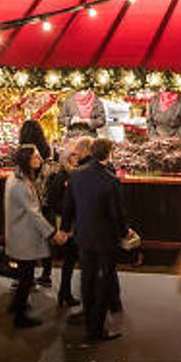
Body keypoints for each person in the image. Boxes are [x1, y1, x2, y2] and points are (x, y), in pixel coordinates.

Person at [60, 137, 128, 342]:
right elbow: (116, 214)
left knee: (87, 279)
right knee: (104, 281)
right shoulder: (111, 180)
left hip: (83, 235)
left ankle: (89, 320)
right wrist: (124, 233)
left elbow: (68, 207)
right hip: (105, 238)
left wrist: (64, 228)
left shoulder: (76, 176)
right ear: (109, 154)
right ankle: (97, 328)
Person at [6, 144, 55, 329]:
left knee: (24, 274)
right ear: (27, 160)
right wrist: (51, 233)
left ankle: (17, 305)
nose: (39, 159)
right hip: (23, 235)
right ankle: (20, 316)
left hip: (20, 233)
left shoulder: (17, 178)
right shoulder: (21, 184)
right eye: (35, 157)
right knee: (26, 276)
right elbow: (34, 213)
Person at [42, 135, 90, 304]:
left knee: (73, 260)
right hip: (67, 224)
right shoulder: (62, 175)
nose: (76, 158)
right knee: (70, 260)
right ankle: (65, 293)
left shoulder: (79, 174)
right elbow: (54, 201)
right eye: (73, 155)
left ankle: (66, 293)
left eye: (78, 155)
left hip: (76, 222)